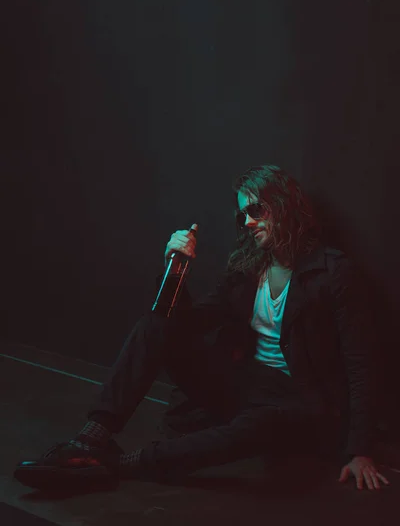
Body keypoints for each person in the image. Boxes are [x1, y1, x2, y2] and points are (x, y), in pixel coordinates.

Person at [14, 164, 390, 491]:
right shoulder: (248, 267)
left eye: (256, 209)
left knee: (255, 429)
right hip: (244, 385)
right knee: (155, 324)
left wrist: (360, 450)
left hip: (295, 402)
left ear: (285, 206)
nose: (247, 221)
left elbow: (362, 365)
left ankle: (117, 466)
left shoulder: (334, 272)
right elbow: (187, 324)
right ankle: (89, 441)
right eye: (242, 214)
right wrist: (175, 271)